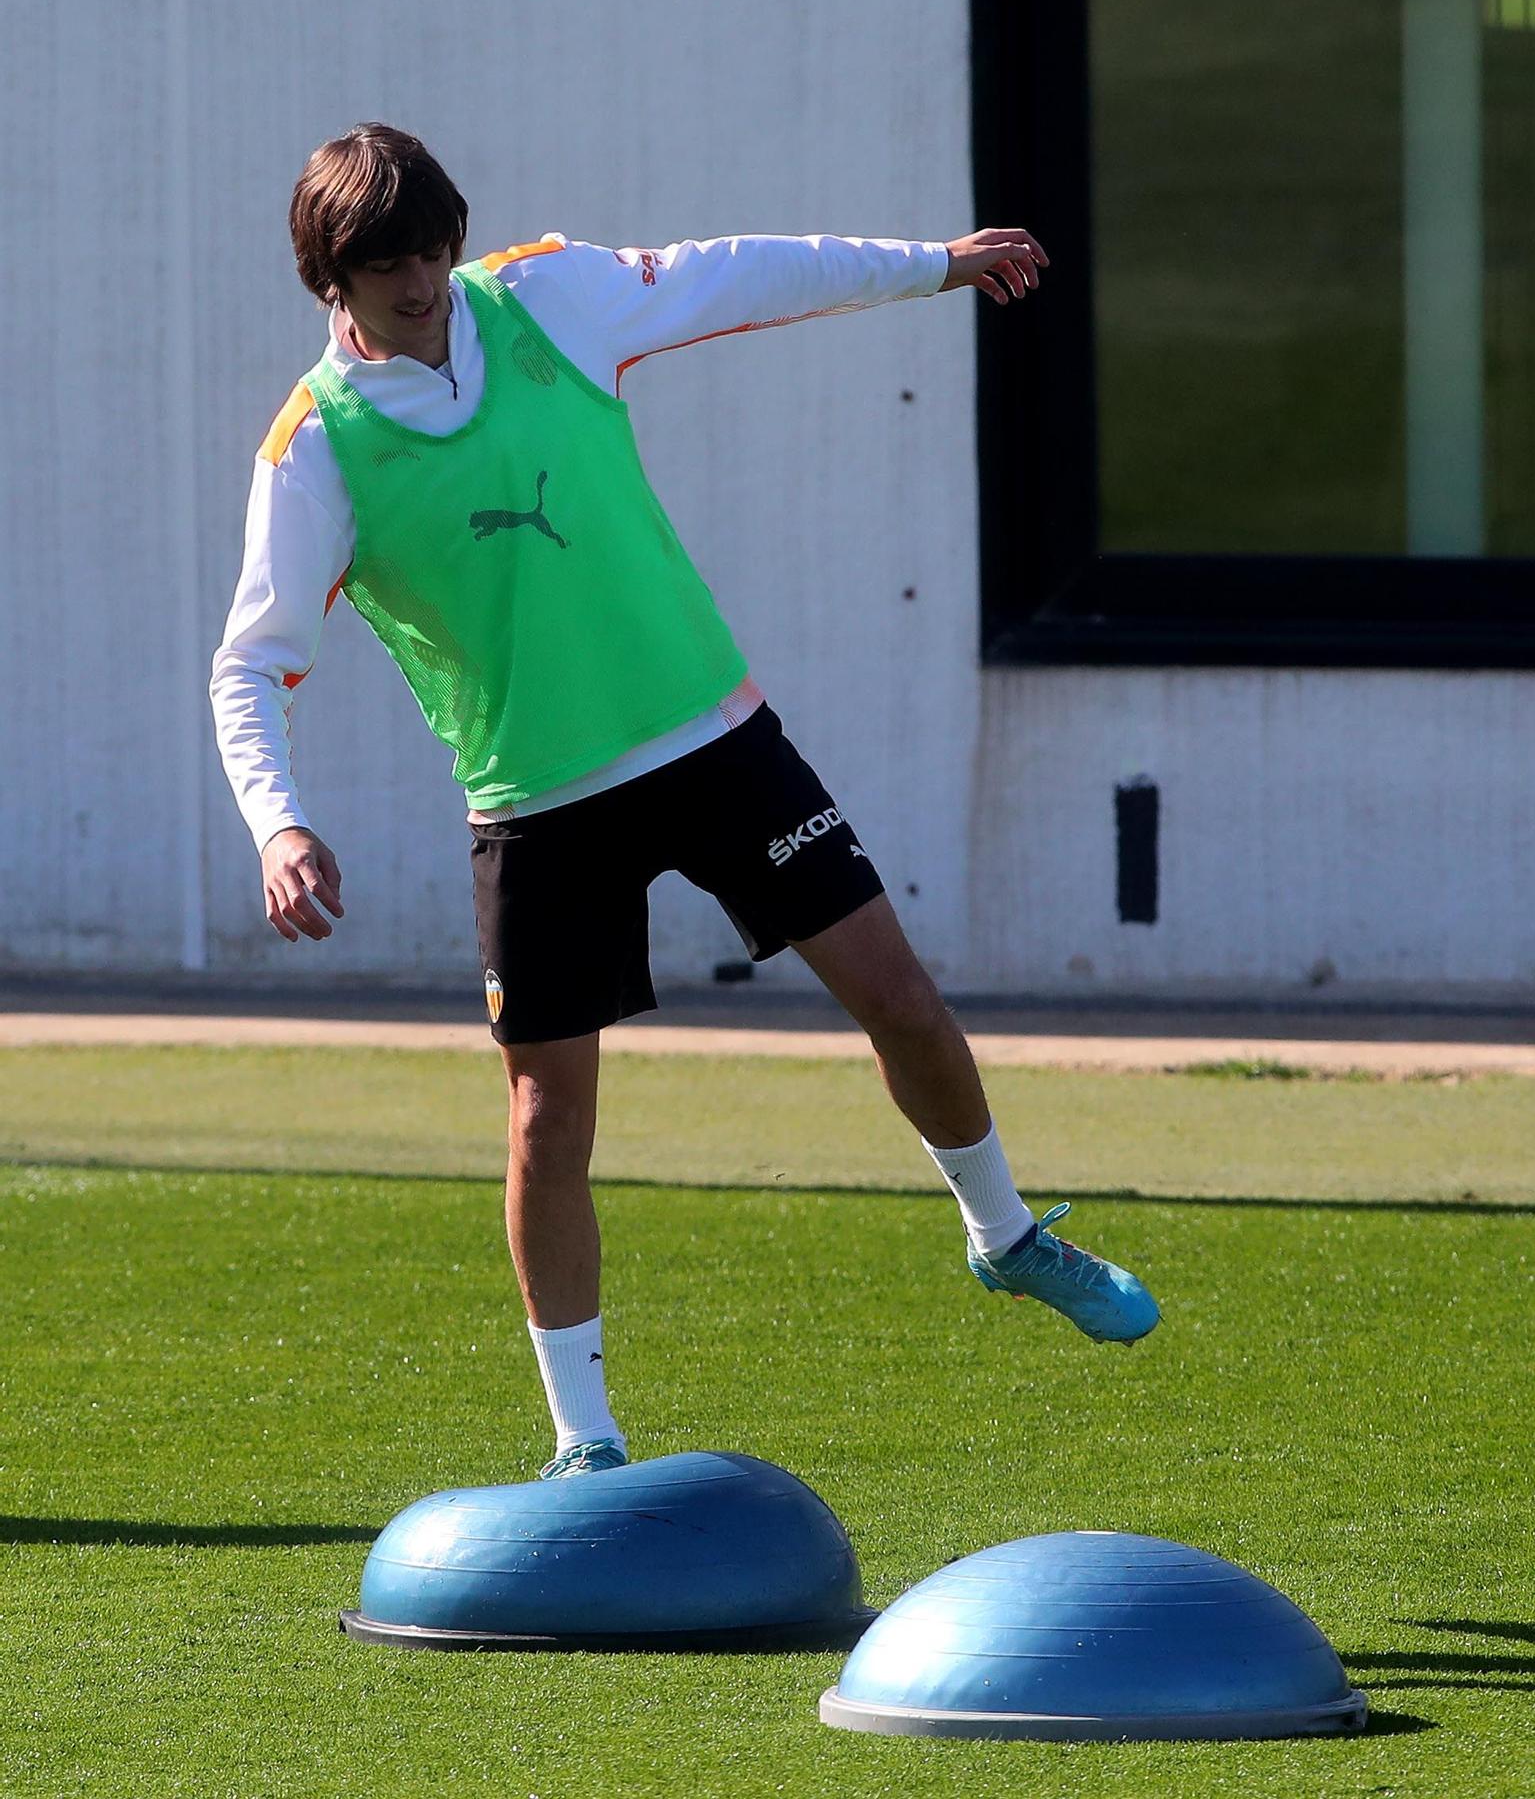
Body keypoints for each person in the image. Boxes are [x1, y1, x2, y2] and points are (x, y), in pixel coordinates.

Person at [210, 123, 1160, 1479]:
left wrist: (934, 267)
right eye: (386, 265)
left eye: (432, 250)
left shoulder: (541, 296)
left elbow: (735, 277)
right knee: (550, 1122)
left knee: (900, 996)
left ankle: (1007, 1238)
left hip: (712, 736)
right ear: (329, 276)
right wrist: (279, 823)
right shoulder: (315, 450)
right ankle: (583, 1442)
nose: (421, 284)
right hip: (536, 804)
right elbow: (251, 663)